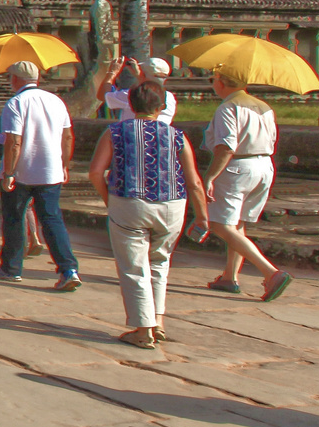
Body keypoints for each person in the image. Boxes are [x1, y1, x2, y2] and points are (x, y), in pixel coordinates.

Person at [88, 80, 209, 349]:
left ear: (130, 105)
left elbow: (96, 172)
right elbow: (195, 182)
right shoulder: (177, 135)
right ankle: (159, 322)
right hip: (172, 206)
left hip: (129, 202)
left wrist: (110, 200)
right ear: (163, 106)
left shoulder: (116, 132)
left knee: (134, 267)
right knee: (159, 263)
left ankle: (144, 329)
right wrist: (201, 216)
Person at [202, 68, 295, 301]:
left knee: (219, 224)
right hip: (263, 165)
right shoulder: (264, 107)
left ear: (222, 82)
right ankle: (229, 276)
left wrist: (210, 176)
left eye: (213, 79)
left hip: (238, 168)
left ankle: (270, 272)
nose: (213, 84)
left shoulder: (228, 107)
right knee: (238, 223)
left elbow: (225, 146)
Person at [0, 60, 81, 290]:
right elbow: (68, 137)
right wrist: (64, 164)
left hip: (23, 170)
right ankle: (68, 268)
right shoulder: (56, 101)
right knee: (52, 219)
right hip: (51, 170)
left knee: (14, 218)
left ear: (15, 79)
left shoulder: (16, 103)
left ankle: (11, 268)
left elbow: (14, 141)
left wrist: (9, 172)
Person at [103, 58, 177, 122]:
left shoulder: (133, 94)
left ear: (144, 74)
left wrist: (112, 72)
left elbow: (103, 95)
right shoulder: (170, 97)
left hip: (131, 135)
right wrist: (140, 77)